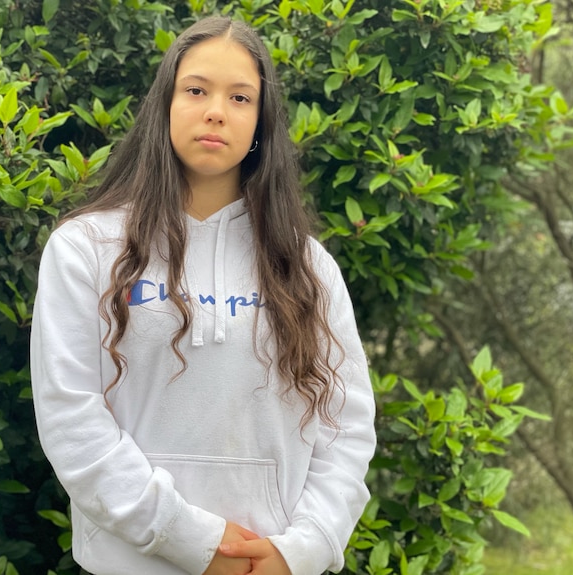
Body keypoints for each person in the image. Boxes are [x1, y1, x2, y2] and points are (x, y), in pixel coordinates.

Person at [30, 15, 376, 575]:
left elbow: (347, 426)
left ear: (261, 123)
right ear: (165, 103)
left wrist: (302, 549)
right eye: (196, 90)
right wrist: (192, 542)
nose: (216, 110)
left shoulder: (308, 267)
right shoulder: (87, 249)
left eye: (240, 97)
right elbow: (72, 421)